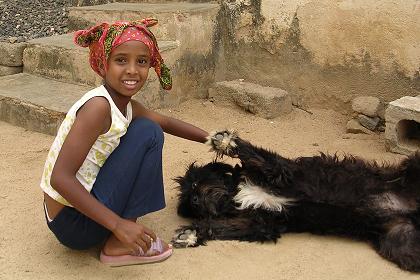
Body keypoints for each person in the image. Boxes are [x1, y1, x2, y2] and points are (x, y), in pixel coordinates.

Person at [40, 18, 209, 266]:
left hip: (76, 212)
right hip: (73, 224)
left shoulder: (126, 106)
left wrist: (220, 140)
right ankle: (119, 245)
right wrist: (118, 225)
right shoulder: (98, 107)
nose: (132, 70)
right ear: (103, 64)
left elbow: (169, 123)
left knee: (147, 128)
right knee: (148, 133)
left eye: (141, 62)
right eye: (121, 60)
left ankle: (117, 229)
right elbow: (60, 178)